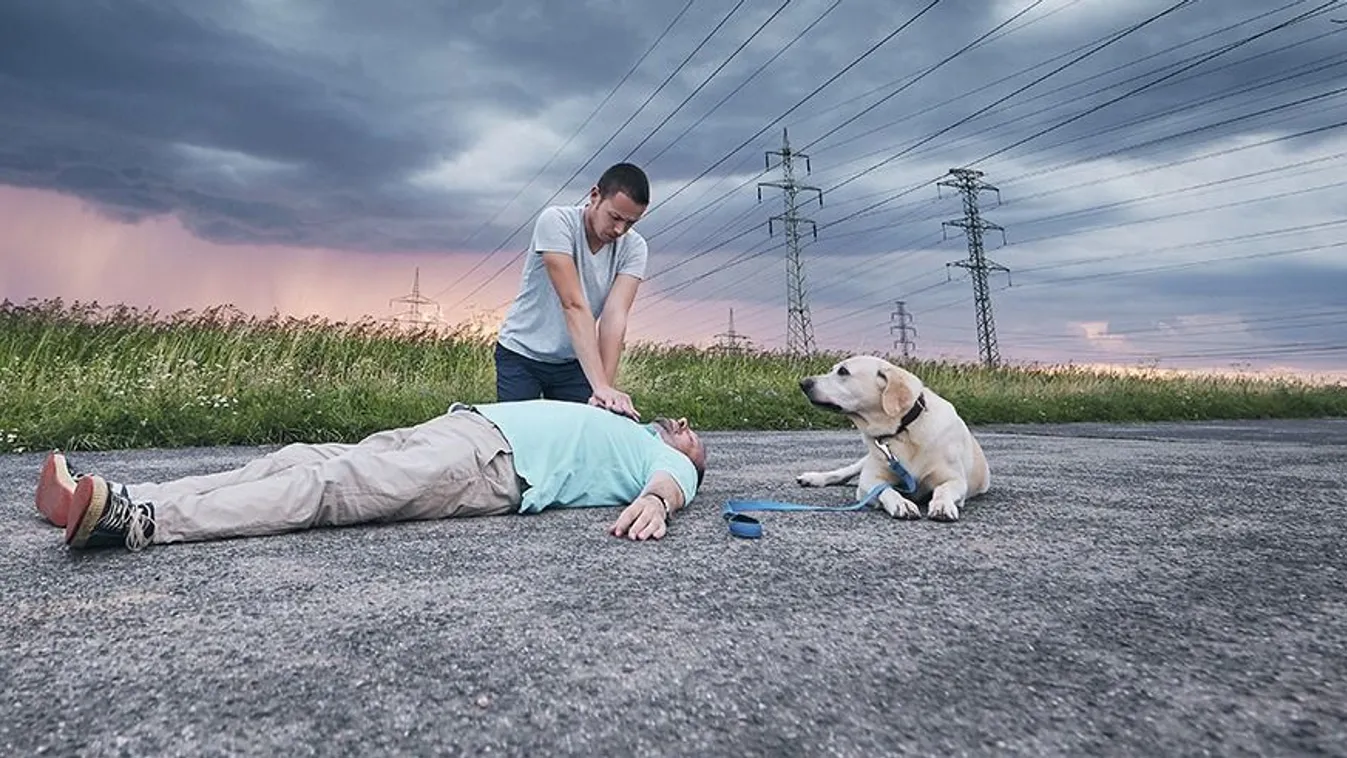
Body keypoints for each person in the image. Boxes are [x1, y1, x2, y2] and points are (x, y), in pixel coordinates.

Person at [33, 399, 707, 552]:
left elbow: (672, 480)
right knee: (296, 458)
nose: (686, 431)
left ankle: (141, 524)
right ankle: (118, 497)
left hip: (492, 467)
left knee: (328, 490)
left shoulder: (666, 461)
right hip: (465, 426)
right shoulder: (623, 420)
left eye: (695, 439)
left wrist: (659, 501)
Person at [494, 162, 650, 421]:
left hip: (575, 363)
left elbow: (615, 317)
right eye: (615, 217)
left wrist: (604, 389)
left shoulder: (635, 248)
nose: (619, 230)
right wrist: (599, 385)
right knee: (522, 440)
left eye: (630, 223)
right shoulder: (556, 221)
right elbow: (573, 304)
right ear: (595, 196)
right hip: (522, 355)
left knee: (582, 442)